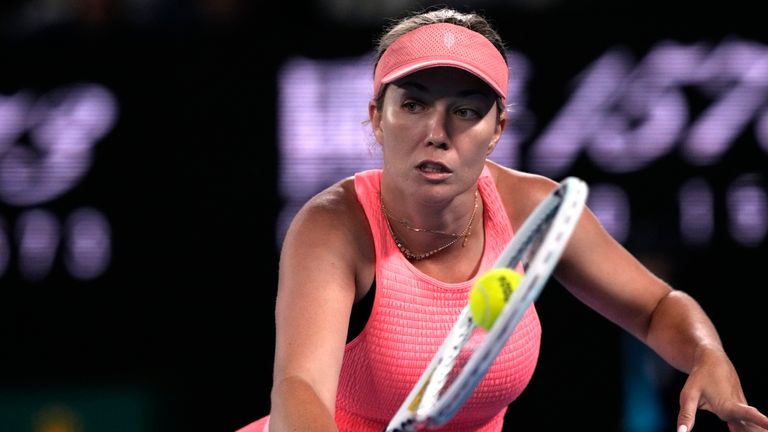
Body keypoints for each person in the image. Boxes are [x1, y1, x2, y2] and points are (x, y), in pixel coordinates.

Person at [238, 7, 768, 432]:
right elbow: (298, 389)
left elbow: (655, 308)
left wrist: (707, 353)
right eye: (413, 105)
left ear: (498, 129)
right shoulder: (334, 226)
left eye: (466, 110)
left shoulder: (532, 208)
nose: (437, 132)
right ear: (377, 117)